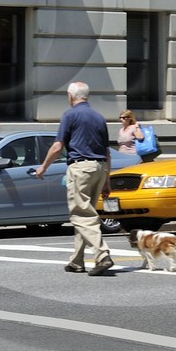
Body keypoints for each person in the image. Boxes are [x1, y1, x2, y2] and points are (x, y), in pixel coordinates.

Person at [33, 82, 115, 277]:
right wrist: (107, 180)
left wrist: (43, 167)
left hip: (81, 168)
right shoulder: (99, 117)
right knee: (85, 214)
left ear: (70, 96)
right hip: (100, 167)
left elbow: (57, 146)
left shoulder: (70, 115)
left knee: (81, 215)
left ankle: (102, 254)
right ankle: (77, 261)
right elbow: (106, 151)